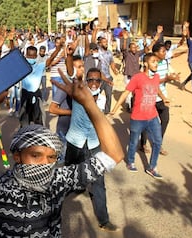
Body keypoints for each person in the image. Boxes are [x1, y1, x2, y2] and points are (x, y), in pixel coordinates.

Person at [0, 62, 124, 237]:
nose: (44, 164)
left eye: (51, 158)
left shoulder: (58, 182)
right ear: (17, 156)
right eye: (35, 155)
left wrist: (89, 103)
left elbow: (113, 155)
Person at [64, 47, 117, 231]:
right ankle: (54, 213)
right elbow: (71, 72)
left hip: (94, 143)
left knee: (99, 183)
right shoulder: (80, 90)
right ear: (86, 80)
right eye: (91, 79)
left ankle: (103, 219)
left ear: (101, 81)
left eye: (97, 79)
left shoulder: (102, 98)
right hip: (75, 141)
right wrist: (69, 55)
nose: (94, 82)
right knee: (68, 176)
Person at [111, 53, 168, 179]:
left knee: (158, 142)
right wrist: (115, 108)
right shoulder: (137, 78)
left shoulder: (156, 77)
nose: (156, 64)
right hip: (138, 118)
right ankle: (130, 161)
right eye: (153, 61)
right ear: (146, 64)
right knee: (133, 142)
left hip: (152, 117)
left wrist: (163, 98)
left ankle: (152, 167)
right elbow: (126, 93)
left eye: (157, 62)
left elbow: (157, 88)